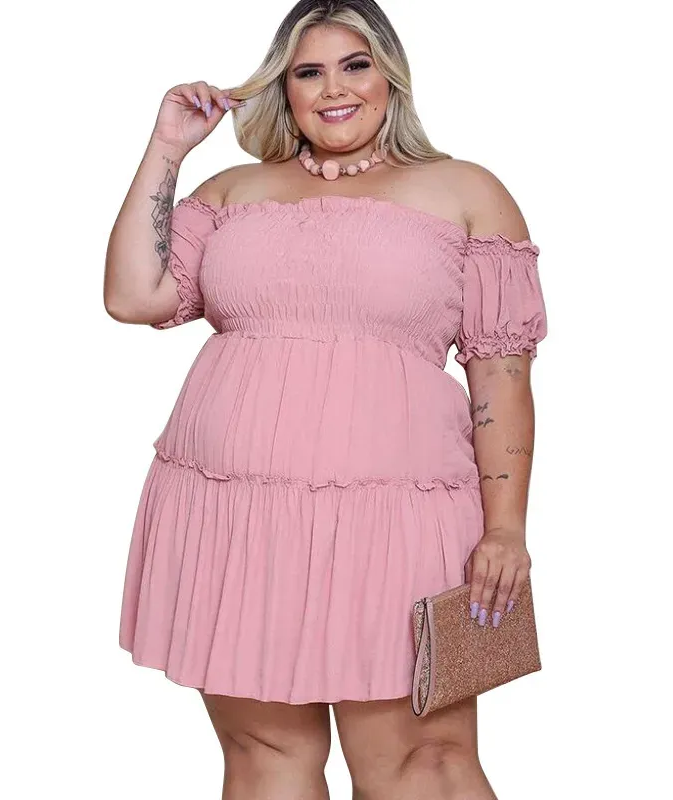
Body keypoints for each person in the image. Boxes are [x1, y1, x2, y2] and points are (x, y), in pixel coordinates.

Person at [104, 1, 548, 797]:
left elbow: (502, 378)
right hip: (235, 517)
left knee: (426, 762)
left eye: (356, 65)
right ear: (285, 88)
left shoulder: (466, 191)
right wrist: (167, 147)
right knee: (263, 756)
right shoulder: (232, 189)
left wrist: (506, 529)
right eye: (308, 71)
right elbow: (134, 296)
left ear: (391, 76)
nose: (333, 88)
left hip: (401, 523)